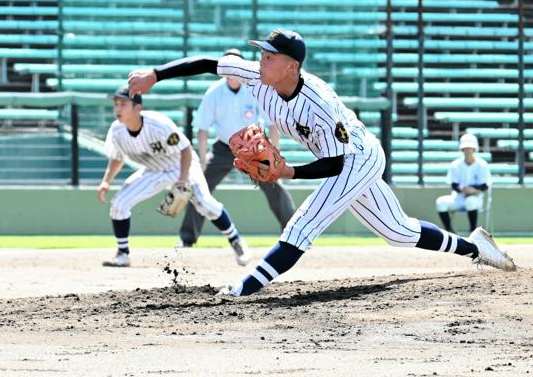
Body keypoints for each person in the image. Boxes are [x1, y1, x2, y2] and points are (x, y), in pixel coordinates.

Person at [128, 28, 516, 296]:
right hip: (336, 158)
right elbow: (212, 64)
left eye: (270, 55)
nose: (260, 59)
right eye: (262, 53)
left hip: (356, 158)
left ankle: (244, 288)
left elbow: (335, 163)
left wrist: (288, 171)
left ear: (291, 66)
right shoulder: (258, 77)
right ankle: (475, 248)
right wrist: (155, 75)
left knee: (304, 223)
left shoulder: (319, 105)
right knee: (398, 231)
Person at [96, 86, 250, 268]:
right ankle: (123, 254)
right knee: (119, 204)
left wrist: (182, 180)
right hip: (154, 170)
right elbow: (117, 157)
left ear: (137, 108)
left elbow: (185, 149)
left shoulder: (158, 124)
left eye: (123, 104)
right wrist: (106, 181)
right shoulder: (116, 131)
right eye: (116, 104)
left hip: (182, 165)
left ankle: (236, 240)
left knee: (205, 204)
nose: (118, 108)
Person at [178, 48, 296, 248]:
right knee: (200, 187)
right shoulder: (213, 93)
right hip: (223, 148)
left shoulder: (255, 89)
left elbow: (271, 123)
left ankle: (294, 232)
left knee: (274, 185)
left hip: (253, 148)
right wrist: (204, 157)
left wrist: (275, 149)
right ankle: (187, 238)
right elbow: (202, 128)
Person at [436, 133, 491, 234]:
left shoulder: (482, 164)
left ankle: (473, 232)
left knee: (470, 201)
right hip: (458, 198)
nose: (467, 151)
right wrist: (462, 189)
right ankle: (450, 232)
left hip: (476, 198)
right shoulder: (455, 164)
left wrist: (472, 190)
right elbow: (453, 184)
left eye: (470, 148)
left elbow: (485, 185)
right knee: (441, 202)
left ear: (474, 149)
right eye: (465, 148)